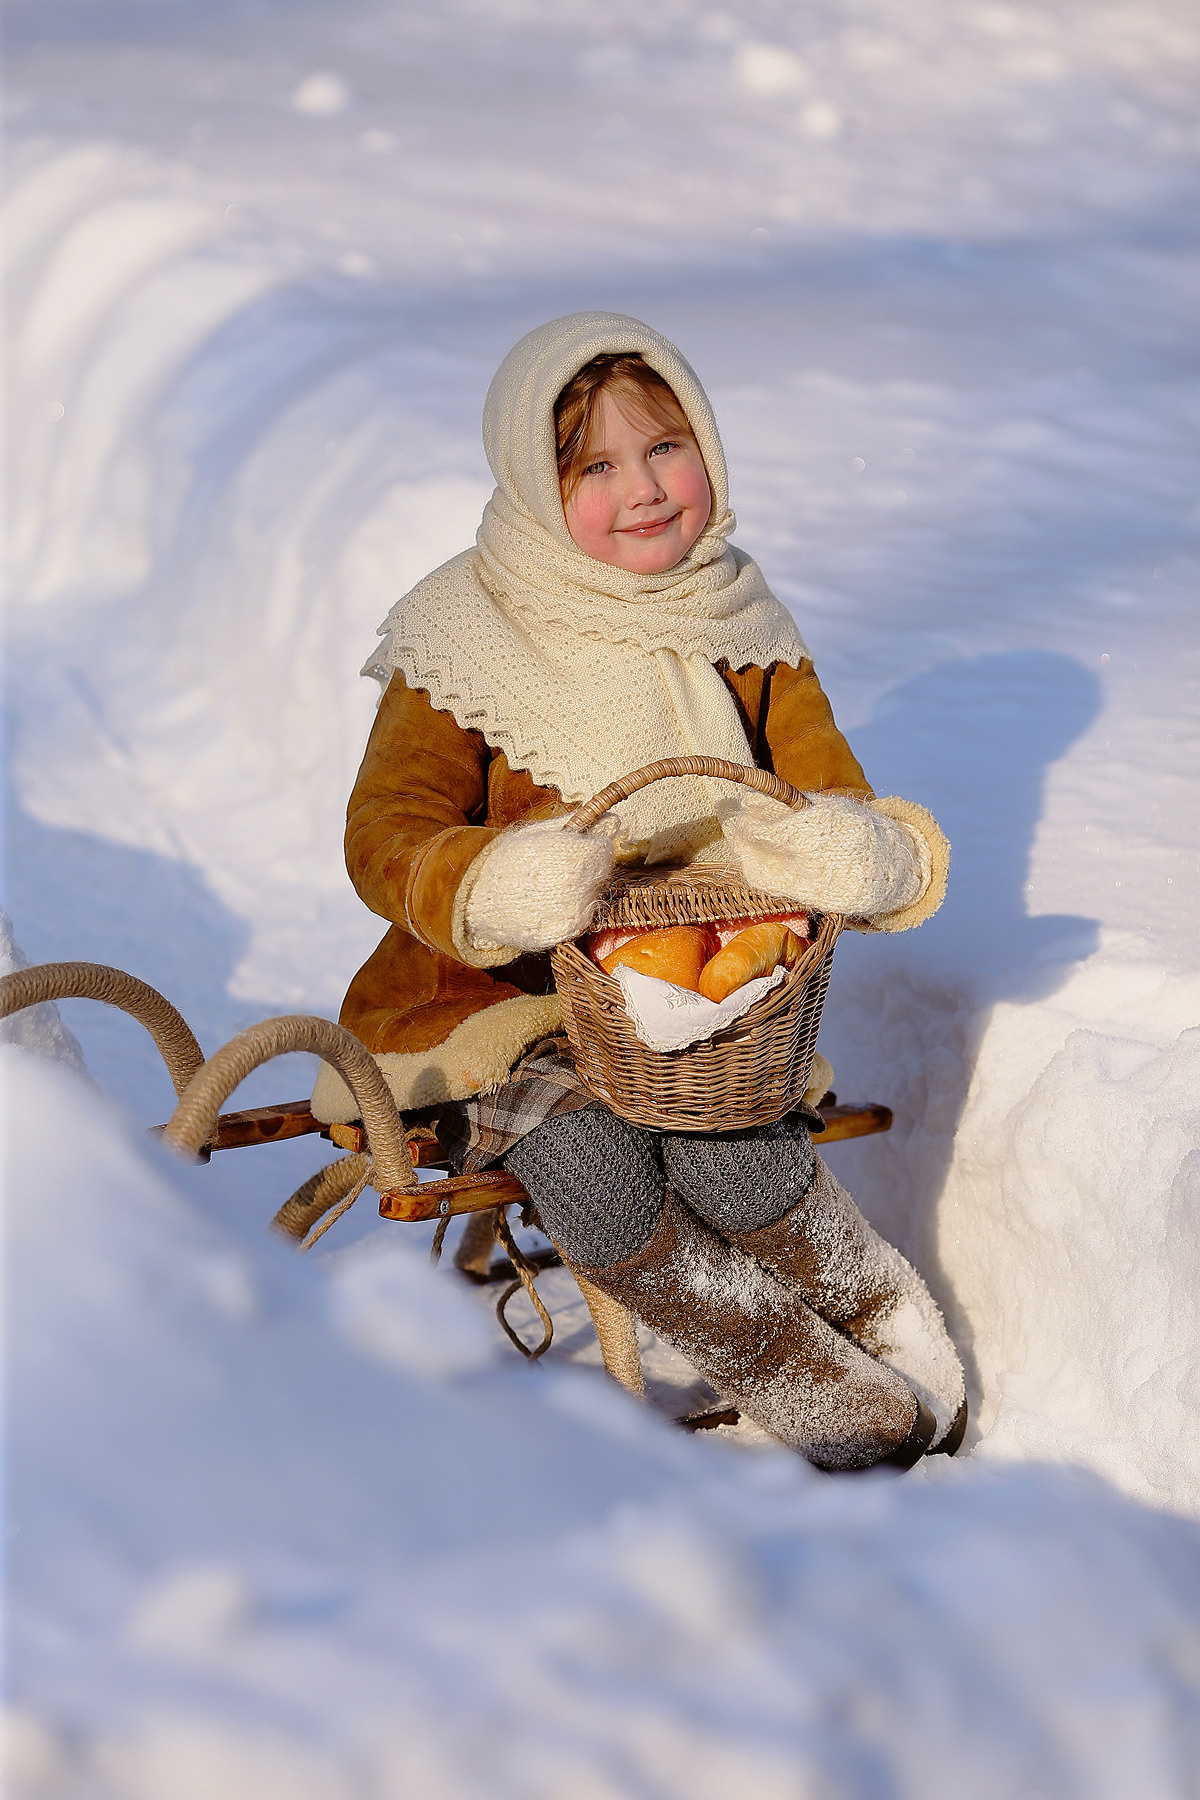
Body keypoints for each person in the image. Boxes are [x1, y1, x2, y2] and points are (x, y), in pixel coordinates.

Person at [313, 312, 965, 1470]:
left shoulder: (743, 622)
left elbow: (832, 792)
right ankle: (785, 1362)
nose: (647, 490)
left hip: (696, 1004)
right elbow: (386, 834)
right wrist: (495, 880)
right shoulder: (467, 633)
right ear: (533, 485)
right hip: (496, 1012)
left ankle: (882, 1313)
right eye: (596, 468)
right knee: (598, 1168)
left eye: (667, 448)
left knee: (736, 1154)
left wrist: (847, 851)